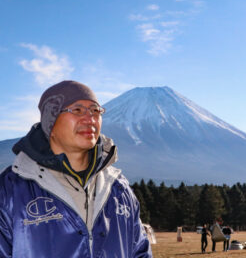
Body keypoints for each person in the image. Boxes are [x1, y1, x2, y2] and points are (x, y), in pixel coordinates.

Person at [0, 80, 152, 257]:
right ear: (50, 122)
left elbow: (140, 252)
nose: (90, 119)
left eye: (95, 110)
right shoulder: (10, 192)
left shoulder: (119, 189)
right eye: (77, 110)